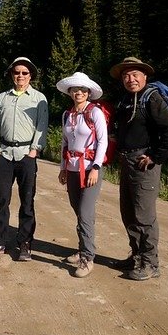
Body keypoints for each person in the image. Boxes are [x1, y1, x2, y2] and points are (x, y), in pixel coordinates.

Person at [110, 57, 168, 281]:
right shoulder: (125, 100)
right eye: (126, 76)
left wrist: (155, 157)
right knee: (128, 211)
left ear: (145, 76)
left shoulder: (152, 98)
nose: (131, 79)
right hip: (126, 160)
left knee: (144, 215)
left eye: (135, 74)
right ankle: (137, 256)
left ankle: (151, 263)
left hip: (143, 162)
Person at [0, 57, 48, 261]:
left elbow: (42, 126)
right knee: (2, 199)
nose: (20, 76)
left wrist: (34, 151)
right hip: (5, 153)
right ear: (12, 74)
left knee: (27, 201)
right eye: (16, 72)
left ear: (31, 75)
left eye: (24, 73)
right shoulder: (2, 97)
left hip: (26, 155)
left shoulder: (39, 98)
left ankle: (24, 243)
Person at [56, 72, 108, 278]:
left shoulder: (95, 112)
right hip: (72, 168)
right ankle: (82, 249)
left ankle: (88, 257)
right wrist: (62, 168)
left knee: (85, 213)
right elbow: (65, 143)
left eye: (83, 90)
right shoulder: (67, 115)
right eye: (75, 89)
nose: (79, 92)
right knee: (79, 211)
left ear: (89, 93)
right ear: (70, 92)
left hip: (89, 169)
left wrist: (95, 167)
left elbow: (102, 141)